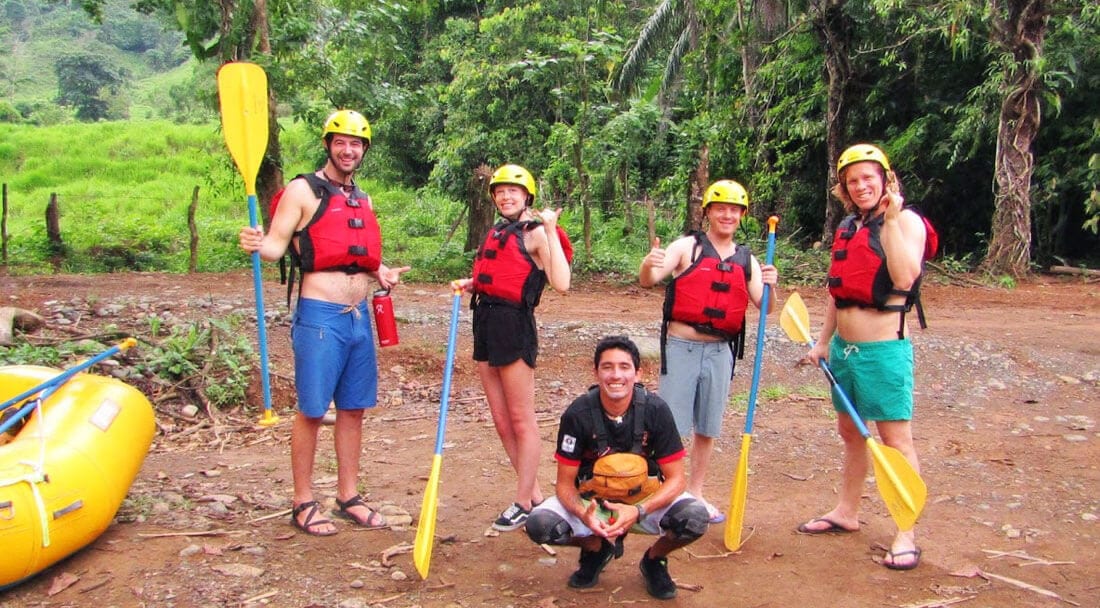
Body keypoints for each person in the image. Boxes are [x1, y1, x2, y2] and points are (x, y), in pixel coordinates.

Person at [238, 109, 410, 536]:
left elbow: (356, 253)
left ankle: (348, 495)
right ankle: (302, 501)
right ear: (328, 145)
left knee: (354, 410)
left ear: (364, 150)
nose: (348, 150)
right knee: (313, 411)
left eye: (356, 144)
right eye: (341, 142)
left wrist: (380, 271)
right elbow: (276, 249)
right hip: (320, 318)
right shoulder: (302, 190)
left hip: (358, 318)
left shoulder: (362, 198)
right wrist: (255, 243)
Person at [797, 143, 932, 571]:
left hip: (884, 351)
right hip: (845, 351)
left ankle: (906, 532)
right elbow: (838, 290)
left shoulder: (906, 221)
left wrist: (890, 220)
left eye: (868, 178)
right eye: (852, 181)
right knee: (851, 433)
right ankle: (846, 512)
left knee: (895, 440)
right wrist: (822, 343)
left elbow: (905, 275)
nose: (860, 186)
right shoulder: (849, 225)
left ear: (886, 178)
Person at [637, 180, 778, 523]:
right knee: (670, 424)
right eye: (721, 208)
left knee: (708, 427)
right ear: (709, 212)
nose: (727, 215)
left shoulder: (748, 260)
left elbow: (766, 306)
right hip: (682, 346)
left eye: (734, 210)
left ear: (742, 215)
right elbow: (650, 278)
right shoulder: (688, 246)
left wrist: (774, 284)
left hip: (720, 352)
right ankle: (666, 491)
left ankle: (695, 493)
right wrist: (647, 263)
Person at [525, 336, 708, 600]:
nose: (616, 375)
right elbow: (565, 484)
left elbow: (677, 479)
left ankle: (654, 559)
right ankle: (596, 548)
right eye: (607, 367)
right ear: (596, 372)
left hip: (644, 502)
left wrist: (638, 510)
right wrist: (583, 513)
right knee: (540, 525)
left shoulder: (656, 410)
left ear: (638, 372)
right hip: (593, 503)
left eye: (624, 367)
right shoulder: (577, 414)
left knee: (695, 518)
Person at [454, 163, 572, 531]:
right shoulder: (497, 231)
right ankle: (533, 493)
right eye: (501, 191)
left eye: (514, 192)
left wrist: (551, 230)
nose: (506, 196)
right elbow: (503, 272)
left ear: (527, 198)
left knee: (521, 418)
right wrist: (475, 282)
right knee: (501, 419)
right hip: (485, 321)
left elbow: (562, 282)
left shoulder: (535, 233)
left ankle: (523, 501)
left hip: (514, 325)